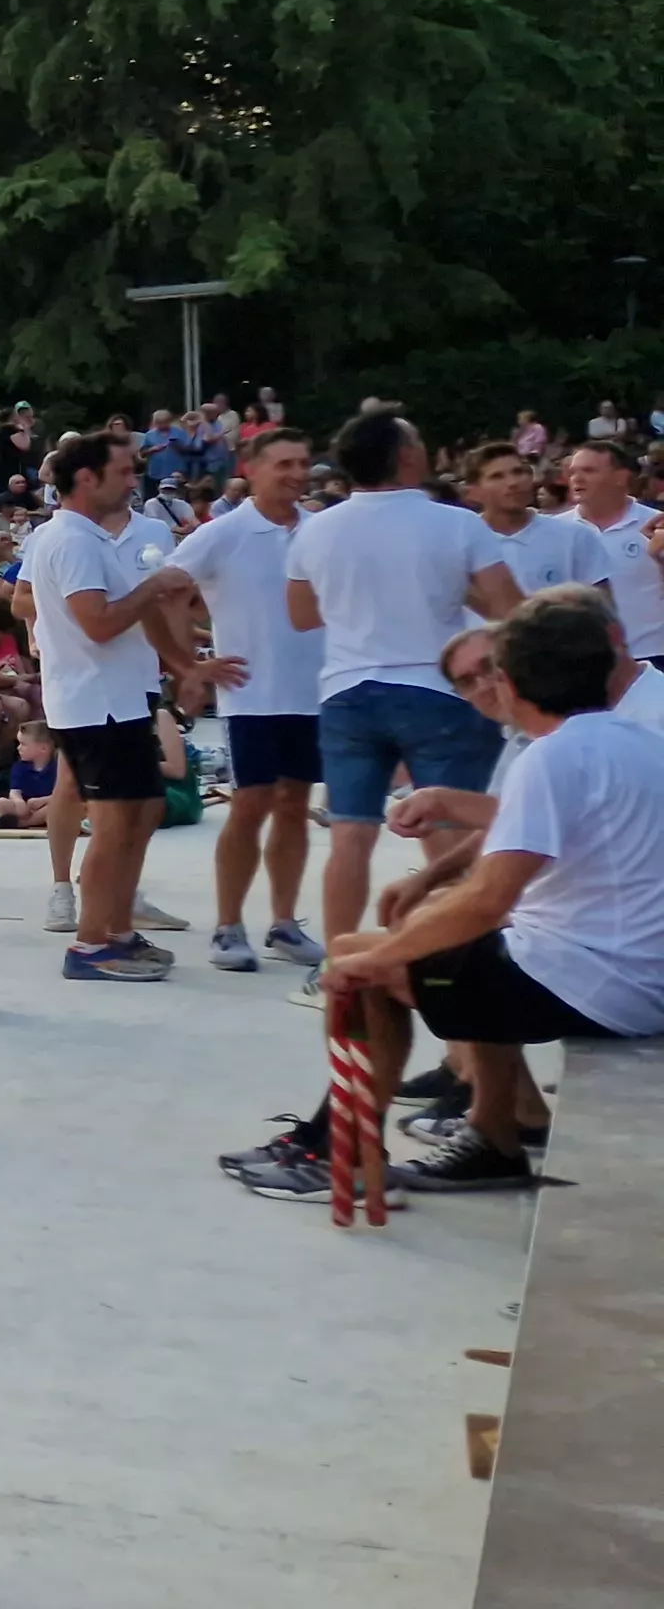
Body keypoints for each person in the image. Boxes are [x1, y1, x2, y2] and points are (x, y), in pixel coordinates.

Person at [303, 590, 664, 1195]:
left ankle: (339, 1154)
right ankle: (494, 1132)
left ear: (513, 685)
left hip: (598, 984)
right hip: (628, 974)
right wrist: (427, 896)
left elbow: (487, 900)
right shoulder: (640, 744)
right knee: (463, 951)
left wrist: (377, 959)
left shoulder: (553, 756)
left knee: (357, 955)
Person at [288, 409, 521, 970]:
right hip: (436, 687)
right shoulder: (456, 523)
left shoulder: (316, 528)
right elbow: (512, 609)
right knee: (449, 832)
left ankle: (338, 965)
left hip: (347, 688)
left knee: (350, 834)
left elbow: (300, 614)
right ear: (407, 456)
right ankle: (460, 957)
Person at [26, 433, 201, 980]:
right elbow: (99, 623)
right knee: (114, 822)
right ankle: (92, 945)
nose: (134, 482)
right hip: (94, 703)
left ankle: (118, 929)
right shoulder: (72, 541)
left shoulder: (92, 539)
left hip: (120, 699)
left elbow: (133, 618)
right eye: (123, 473)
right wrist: (154, 588)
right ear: (86, 479)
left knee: (143, 810)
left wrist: (186, 664)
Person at [159, 427, 334, 975]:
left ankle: (283, 922)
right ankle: (228, 925)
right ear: (251, 469)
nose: (296, 473)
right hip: (250, 694)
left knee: (293, 805)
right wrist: (191, 663)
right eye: (283, 463)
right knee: (251, 805)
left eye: (303, 462)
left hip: (314, 693)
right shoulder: (223, 533)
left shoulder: (323, 530)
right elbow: (164, 593)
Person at [556, 441, 661, 670]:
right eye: (573, 471)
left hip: (654, 655)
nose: (577, 478)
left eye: (589, 471)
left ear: (621, 477)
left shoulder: (657, 524)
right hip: (582, 663)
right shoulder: (552, 531)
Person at [469, 444, 615, 600]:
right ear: (474, 491)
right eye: (497, 476)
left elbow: (602, 608)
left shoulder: (575, 535)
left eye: (518, 472)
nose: (513, 483)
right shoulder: (460, 541)